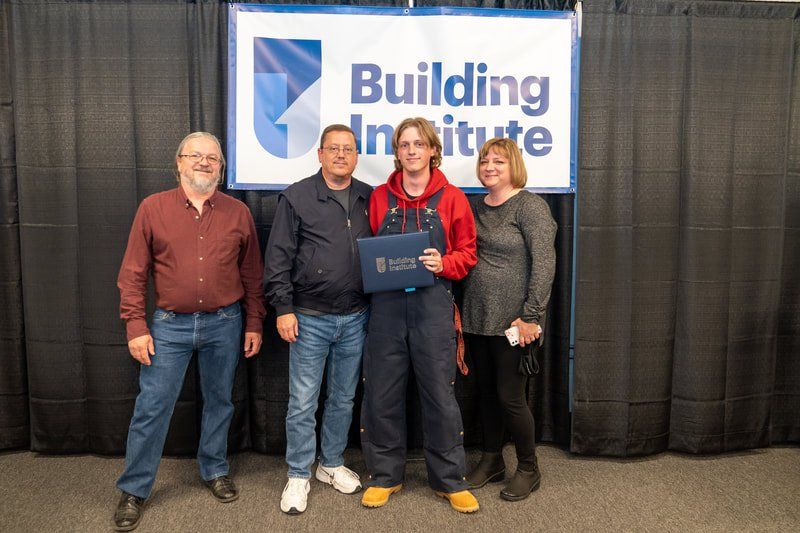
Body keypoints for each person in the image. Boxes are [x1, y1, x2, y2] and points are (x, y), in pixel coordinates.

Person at [113, 132, 266, 530]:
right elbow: (132, 274)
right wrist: (135, 325)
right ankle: (134, 489)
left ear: (221, 167)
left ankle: (215, 470)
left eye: (211, 157)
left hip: (225, 323)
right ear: (178, 163)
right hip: (168, 327)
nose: (203, 162)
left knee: (220, 401)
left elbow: (252, 275)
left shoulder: (237, 213)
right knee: (152, 408)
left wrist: (253, 321)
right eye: (195, 156)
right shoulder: (152, 208)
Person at [360, 117, 479, 513]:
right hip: (387, 311)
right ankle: (384, 476)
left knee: (440, 396)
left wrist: (442, 263)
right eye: (404, 144)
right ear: (397, 152)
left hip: (432, 311)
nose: (412, 151)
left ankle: (449, 479)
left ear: (432, 150)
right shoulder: (379, 198)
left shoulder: (453, 198)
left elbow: (468, 254)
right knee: (382, 393)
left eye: (419, 144)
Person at [264, 124, 372, 514]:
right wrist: (283, 307)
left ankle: (330, 463)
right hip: (308, 318)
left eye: (349, 149)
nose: (341, 155)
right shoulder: (297, 197)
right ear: (321, 154)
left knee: (343, 397)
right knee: (303, 402)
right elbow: (277, 258)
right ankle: (297, 473)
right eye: (334, 148)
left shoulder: (368, 197)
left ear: (356, 156)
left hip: (355, 318)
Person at [462, 137, 556, 501]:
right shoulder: (475, 207)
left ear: (513, 166)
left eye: (498, 162)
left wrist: (532, 317)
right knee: (485, 395)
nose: (489, 167)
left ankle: (529, 467)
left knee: (510, 397)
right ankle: (491, 460)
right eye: (485, 161)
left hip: (515, 324)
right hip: (477, 317)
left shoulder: (529, 207)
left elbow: (544, 264)